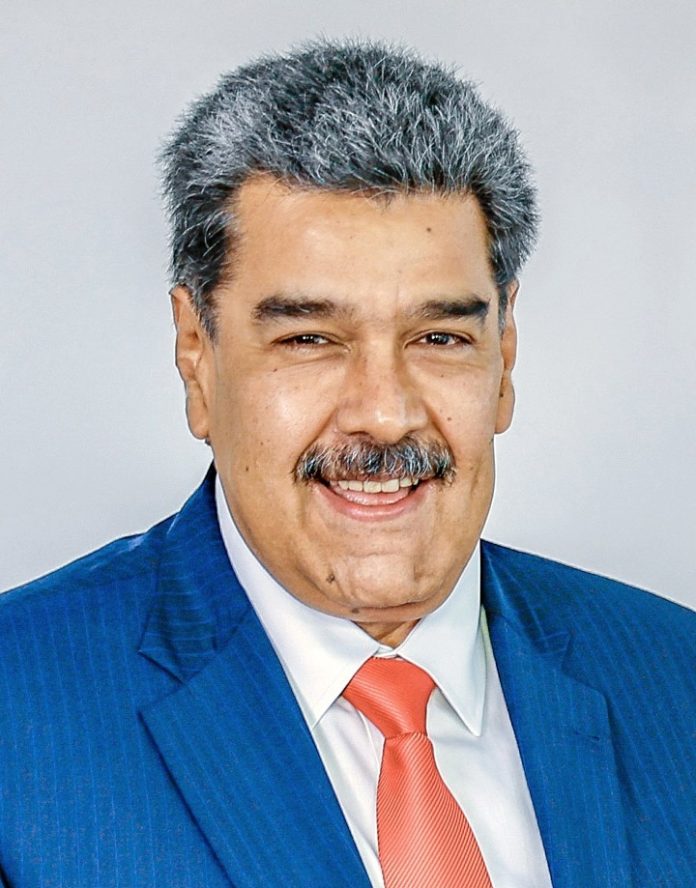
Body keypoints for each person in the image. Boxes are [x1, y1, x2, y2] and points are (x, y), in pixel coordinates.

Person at [0, 39, 693, 888]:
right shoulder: (18, 722)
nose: (385, 412)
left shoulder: (677, 679)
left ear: (504, 357)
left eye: (439, 338)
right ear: (195, 356)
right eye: (309, 339)